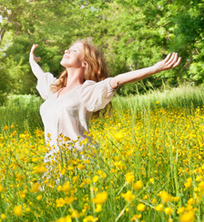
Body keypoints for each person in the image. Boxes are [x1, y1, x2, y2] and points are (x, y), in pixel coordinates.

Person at [29, 40, 181, 171]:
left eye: (74, 50)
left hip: (79, 162)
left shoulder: (87, 91)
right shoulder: (54, 89)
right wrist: (32, 60)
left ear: (84, 63)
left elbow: (117, 80)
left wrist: (154, 69)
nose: (66, 50)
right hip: (52, 163)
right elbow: (41, 75)